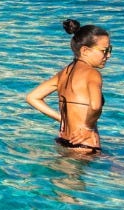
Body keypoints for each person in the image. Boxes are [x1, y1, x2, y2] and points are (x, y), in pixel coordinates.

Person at [25, 18, 111, 154]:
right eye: (104, 50)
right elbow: (95, 106)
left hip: (63, 141)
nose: (108, 55)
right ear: (85, 51)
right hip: (85, 145)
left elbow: (32, 97)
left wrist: (62, 118)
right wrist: (87, 128)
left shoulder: (63, 73)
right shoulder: (93, 74)